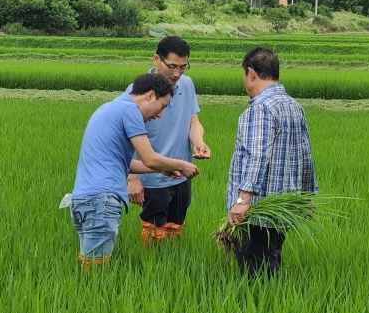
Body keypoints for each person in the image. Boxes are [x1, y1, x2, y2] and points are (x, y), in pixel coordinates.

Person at [71, 72, 200, 271]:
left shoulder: (111, 107)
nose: (159, 115)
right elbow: (149, 157)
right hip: (101, 201)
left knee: (88, 263)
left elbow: (125, 163)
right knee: (96, 271)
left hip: (83, 200)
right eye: (162, 106)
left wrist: (165, 169)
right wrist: (181, 165)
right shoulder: (130, 111)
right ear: (149, 95)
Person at [227, 47, 317, 277]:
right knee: (270, 260)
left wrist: (242, 200)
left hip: (258, 210)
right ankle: (268, 304)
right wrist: (307, 197)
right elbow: (304, 153)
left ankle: (256, 308)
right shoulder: (293, 105)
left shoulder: (260, 108)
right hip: (282, 207)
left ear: (251, 73)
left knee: (254, 272)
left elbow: (257, 155)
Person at [125, 36, 210, 246]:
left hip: (182, 176)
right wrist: (133, 179)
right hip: (153, 178)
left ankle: (169, 267)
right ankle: (152, 270)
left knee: (175, 232)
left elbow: (193, 120)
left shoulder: (187, 84)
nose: (177, 73)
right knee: (154, 235)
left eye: (183, 67)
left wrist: (199, 141)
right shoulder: (137, 93)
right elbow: (124, 140)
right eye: (172, 66)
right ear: (156, 59)